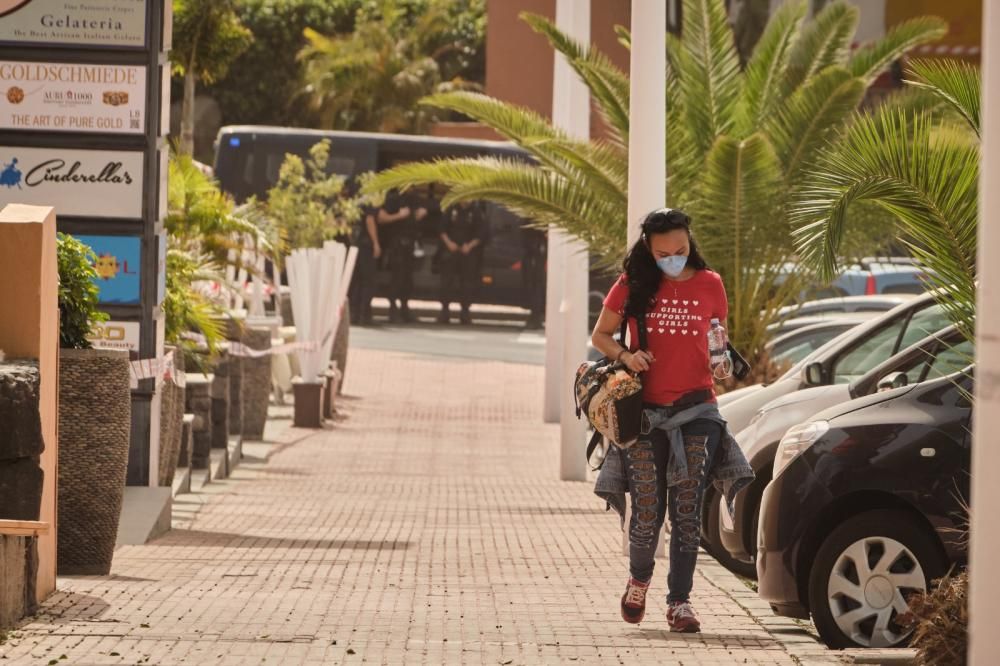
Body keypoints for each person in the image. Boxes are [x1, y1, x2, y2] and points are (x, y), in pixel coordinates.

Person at [591, 208, 753, 633]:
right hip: (644, 415)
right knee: (647, 512)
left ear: (689, 241)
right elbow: (600, 336)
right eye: (664, 253)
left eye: (680, 250)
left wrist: (721, 363)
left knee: (686, 513)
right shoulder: (633, 284)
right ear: (649, 248)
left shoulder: (710, 283)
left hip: (698, 410)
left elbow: (717, 339)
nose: (673, 258)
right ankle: (638, 579)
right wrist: (627, 355)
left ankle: (679, 603)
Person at [377, 189, 427, 323]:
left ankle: (405, 308)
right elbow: (381, 218)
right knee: (397, 278)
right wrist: (399, 215)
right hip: (396, 245)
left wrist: (421, 214)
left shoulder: (415, 198)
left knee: (408, 280)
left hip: (411, 245)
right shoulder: (393, 199)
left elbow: (425, 209)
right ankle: (393, 309)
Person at [437, 200, 487, 325]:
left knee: (467, 283)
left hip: (468, 253)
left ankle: (465, 313)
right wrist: (449, 244)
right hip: (450, 251)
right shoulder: (451, 209)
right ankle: (445, 312)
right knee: (446, 282)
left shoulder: (476, 212)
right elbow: (441, 229)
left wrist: (470, 246)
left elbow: (481, 234)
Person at [348, 201, 381, 326]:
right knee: (368, 281)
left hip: (356, 245)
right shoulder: (369, 201)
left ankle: (355, 314)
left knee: (356, 280)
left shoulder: (354, 201)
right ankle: (364, 315)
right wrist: (375, 243)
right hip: (366, 246)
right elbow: (369, 220)